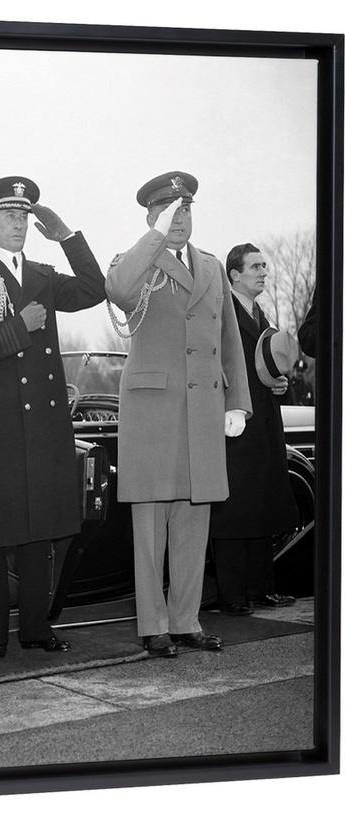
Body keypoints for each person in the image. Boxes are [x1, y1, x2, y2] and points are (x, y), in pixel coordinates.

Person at [105, 171, 251, 658]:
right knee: (150, 528)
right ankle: (154, 625)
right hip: (154, 413)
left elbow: (229, 338)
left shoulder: (211, 266)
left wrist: (238, 402)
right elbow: (118, 290)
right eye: (169, 211)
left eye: (185, 209)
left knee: (193, 523)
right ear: (152, 217)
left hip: (202, 410)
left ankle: (187, 620)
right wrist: (155, 236)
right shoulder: (135, 261)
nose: (179, 219)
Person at [0, 177, 106, 659]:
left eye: (24, 216)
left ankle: (36, 628)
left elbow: (94, 288)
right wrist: (18, 328)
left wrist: (67, 237)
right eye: (9, 215)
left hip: (44, 423)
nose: (18, 224)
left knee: (40, 526)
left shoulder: (43, 274)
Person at [209, 243, 298, 614]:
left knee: (263, 504)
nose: (264, 272)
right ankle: (232, 596)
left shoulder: (260, 313)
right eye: (255, 267)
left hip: (265, 423)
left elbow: (266, 367)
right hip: (235, 424)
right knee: (234, 511)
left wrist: (281, 384)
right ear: (234, 275)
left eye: (264, 266)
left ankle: (261, 589)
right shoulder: (221, 311)